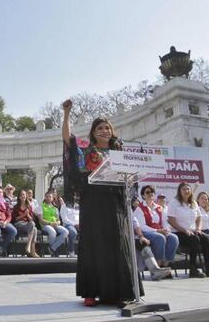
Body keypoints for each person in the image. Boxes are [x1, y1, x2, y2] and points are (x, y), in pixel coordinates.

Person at [62, 99, 141, 307]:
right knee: (94, 245)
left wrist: (132, 195)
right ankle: (92, 291)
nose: (104, 130)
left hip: (116, 204)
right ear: (93, 132)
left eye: (107, 127)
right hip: (94, 204)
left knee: (118, 246)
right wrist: (67, 113)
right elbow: (68, 140)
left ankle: (119, 292)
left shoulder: (120, 152)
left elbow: (132, 177)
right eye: (100, 128)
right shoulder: (86, 152)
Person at [167, 182, 209, 278]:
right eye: (184, 189)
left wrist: (198, 229)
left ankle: (208, 268)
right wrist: (184, 230)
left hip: (192, 231)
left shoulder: (193, 203)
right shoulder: (174, 202)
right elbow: (171, 220)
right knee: (195, 239)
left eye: (188, 189)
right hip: (179, 232)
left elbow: (199, 218)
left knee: (206, 239)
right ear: (179, 191)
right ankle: (193, 268)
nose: (186, 191)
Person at [134, 185, 178, 269]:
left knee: (174, 238)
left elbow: (165, 222)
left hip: (159, 231)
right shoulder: (139, 208)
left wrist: (166, 229)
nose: (150, 194)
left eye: (152, 192)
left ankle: (165, 265)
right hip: (146, 232)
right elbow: (142, 226)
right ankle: (158, 266)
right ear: (143, 195)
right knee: (160, 238)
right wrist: (157, 230)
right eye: (147, 192)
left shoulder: (159, 207)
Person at [131, 204, 172, 281]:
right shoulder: (140, 209)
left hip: (131, 237)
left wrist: (141, 236)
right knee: (159, 238)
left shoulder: (127, 209)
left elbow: (135, 223)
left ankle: (155, 270)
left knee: (143, 243)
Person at [36, 191, 68, 257]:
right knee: (52, 232)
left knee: (65, 232)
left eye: (50, 197)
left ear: (52, 198)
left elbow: (59, 220)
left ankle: (52, 248)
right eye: (47, 196)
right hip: (45, 225)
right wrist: (50, 223)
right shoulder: (40, 206)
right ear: (45, 197)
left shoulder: (55, 208)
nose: (48, 198)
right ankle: (53, 251)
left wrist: (57, 223)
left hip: (55, 224)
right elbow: (41, 220)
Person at [12, 189, 39, 257]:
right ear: (19, 197)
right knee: (33, 227)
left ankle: (31, 249)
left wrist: (27, 215)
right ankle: (30, 248)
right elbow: (15, 219)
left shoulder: (29, 206)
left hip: (27, 224)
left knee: (34, 228)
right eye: (21, 195)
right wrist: (24, 215)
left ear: (26, 196)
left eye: (24, 194)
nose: (22, 196)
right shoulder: (16, 207)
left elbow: (31, 219)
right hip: (18, 224)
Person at [60, 193, 80, 258]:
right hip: (68, 225)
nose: (75, 197)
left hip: (79, 225)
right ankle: (71, 251)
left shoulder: (78, 206)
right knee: (73, 232)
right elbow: (64, 219)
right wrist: (74, 224)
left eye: (76, 196)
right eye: (73, 196)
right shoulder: (64, 206)